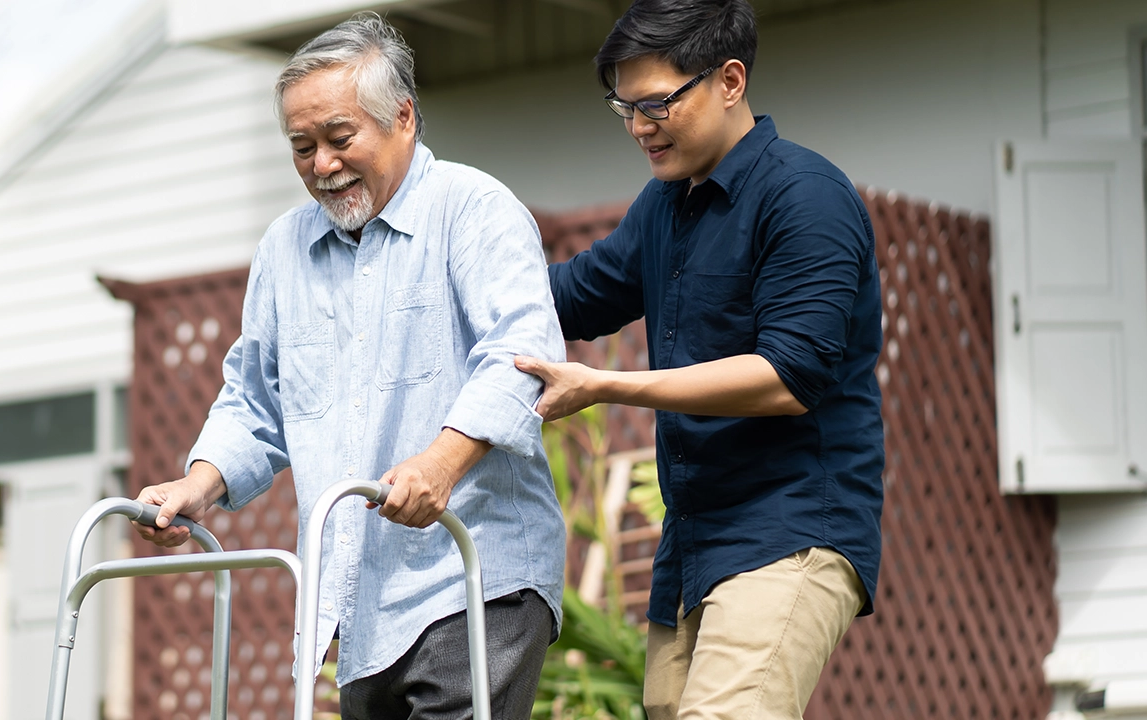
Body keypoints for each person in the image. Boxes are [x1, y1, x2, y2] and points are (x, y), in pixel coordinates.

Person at [132, 13, 566, 720]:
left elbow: (522, 358)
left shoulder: (474, 211)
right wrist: (196, 486)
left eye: (339, 139)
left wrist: (441, 464)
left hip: (472, 574)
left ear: (404, 118)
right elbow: (254, 400)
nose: (322, 165)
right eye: (302, 147)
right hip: (357, 601)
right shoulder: (283, 249)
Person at [514, 1, 885, 718]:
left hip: (791, 528)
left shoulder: (805, 197)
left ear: (730, 81)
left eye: (656, 104)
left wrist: (606, 385)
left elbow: (788, 377)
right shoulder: (663, 206)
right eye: (625, 106)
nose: (639, 126)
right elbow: (568, 299)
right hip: (692, 542)